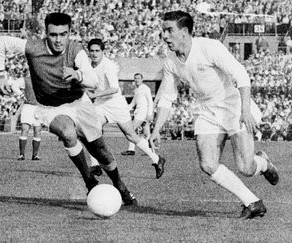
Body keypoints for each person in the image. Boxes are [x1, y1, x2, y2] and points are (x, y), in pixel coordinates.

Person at [0, 13, 137, 205]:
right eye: (53, 35)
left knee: (100, 151)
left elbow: (93, 81)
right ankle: (89, 181)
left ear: (69, 33)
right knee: (68, 133)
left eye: (63, 34)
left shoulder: (76, 51)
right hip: (50, 108)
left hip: (79, 104)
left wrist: (78, 74)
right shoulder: (34, 47)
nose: (58, 40)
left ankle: (119, 185)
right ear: (46, 33)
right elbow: (2, 42)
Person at [149, 11, 279, 219]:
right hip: (206, 111)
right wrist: (156, 129)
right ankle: (252, 202)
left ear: (184, 32)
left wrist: (245, 110)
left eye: (169, 30)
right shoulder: (170, 62)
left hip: (233, 106)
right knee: (208, 164)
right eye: (163, 30)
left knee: (246, 167)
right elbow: (166, 98)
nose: (164, 35)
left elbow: (241, 74)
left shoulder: (209, 47)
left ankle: (263, 163)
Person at [86, 38, 165, 179]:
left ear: (103, 51)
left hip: (115, 104)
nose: (94, 53)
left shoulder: (108, 66)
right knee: (91, 130)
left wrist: (96, 94)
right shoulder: (88, 66)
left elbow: (115, 89)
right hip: (100, 104)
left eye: (97, 50)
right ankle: (95, 165)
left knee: (130, 135)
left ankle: (157, 159)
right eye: (91, 51)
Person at [121, 73, 155, 156]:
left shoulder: (145, 88)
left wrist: (149, 114)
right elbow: (133, 102)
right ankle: (151, 151)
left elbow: (150, 101)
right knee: (147, 132)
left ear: (142, 79)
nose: (137, 80)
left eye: (138, 78)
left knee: (131, 129)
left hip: (143, 113)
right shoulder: (137, 90)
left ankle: (131, 150)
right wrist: (126, 109)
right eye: (135, 78)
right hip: (139, 113)